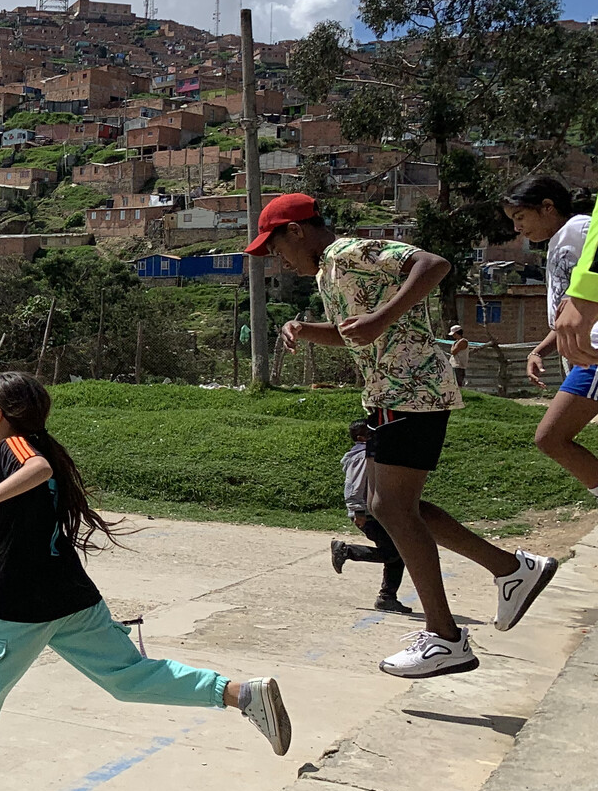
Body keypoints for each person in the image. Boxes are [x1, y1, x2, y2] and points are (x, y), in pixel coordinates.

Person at [0, 371, 292, 791]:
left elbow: (39, 469)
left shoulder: (19, 447)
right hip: (72, 598)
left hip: (22, 606)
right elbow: (33, 488)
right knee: (130, 678)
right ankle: (241, 694)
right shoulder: (19, 450)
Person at [256, 193, 556, 677]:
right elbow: (353, 333)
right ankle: (511, 570)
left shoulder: (347, 252)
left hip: (411, 391)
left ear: (296, 230)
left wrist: (382, 317)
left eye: (275, 247)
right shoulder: (327, 275)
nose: (277, 259)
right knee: (395, 506)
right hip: (389, 396)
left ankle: (447, 637)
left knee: (389, 507)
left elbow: (434, 265)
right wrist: (305, 328)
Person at [503, 176, 598, 495]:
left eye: (520, 217)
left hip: (594, 352)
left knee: (550, 437)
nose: (517, 228)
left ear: (548, 207)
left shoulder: (581, 228)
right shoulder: (559, 243)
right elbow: (567, 315)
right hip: (582, 350)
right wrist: (540, 350)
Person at [330, 420, 411, 615]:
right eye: (369, 432)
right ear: (361, 438)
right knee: (393, 553)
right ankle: (347, 551)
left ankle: (387, 598)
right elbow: (354, 485)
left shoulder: (372, 453)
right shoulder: (361, 456)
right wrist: (357, 510)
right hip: (367, 514)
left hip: (377, 512)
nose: (374, 434)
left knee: (397, 554)